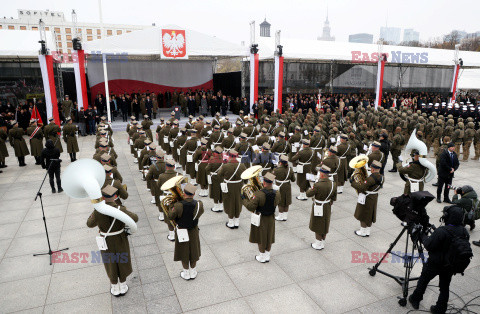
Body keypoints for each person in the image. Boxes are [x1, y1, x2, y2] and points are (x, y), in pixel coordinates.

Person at [408, 206, 469, 314]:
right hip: (450, 265)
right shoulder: (464, 231)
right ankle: (440, 309)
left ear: (447, 217)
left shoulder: (442, 231)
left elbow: (428, 245)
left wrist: (422, 234)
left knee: (423, 281)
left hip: (435, 263)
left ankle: (415, 299)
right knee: (444, 287)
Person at [86, 185, 139, 296]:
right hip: (120, 238)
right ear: (115, 196)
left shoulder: (98, 211)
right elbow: (135, 218)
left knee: (110, 262)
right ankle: (123, 285)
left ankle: (114, 287)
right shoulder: (121, 209)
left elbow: (89, 224)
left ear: (102, 198)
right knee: (122, 259)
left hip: (106, 240)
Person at [242, 172, 281, 263]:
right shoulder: (277, 193)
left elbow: (251, 207)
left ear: (264, 182)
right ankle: (267, 254)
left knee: (261, 236)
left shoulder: (259, 194)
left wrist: (244, 199)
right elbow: (277, 202)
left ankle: (262, 256)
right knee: (269, 235)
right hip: (271, 217)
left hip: (261, 218)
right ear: (272, 182)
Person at [169, 183, 204, 280]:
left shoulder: (178, 205)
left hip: (181, 231)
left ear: (184, 193)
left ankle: (186, 273)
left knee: (183, 251)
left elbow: (170, 216)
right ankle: (193, 271)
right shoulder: (199, 204)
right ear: (193, 194)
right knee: (194, 250)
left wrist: (172, 205)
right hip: (193, 230)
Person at [306, 165, 337, 250]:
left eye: (320, 172)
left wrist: (310, 186)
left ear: (322, 175)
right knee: (325, 223)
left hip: (319, 206)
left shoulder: (318, 185)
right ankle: (322, 241)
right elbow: (334, 198)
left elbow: (308, 194)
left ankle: (318, 244)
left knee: (318, 224)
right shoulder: (333, 184)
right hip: (327, 206)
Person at [351, 160, 384, 237]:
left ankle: (362, 231)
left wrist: (353, 182)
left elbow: (362, 188)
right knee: (370, 214)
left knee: (363, 214)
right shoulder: (382, 177)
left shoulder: (371, 178)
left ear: (372, 169)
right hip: (374, 197)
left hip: (367, 197)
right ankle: (367, 231)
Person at [217, 149, 247, 229]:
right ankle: (237, 221)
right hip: (239, 186)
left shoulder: (225, 166)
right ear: (237, 156)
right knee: (238, 202)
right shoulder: (242, 165)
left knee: (229, 202)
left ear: (229, 156)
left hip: (228, 186)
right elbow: (246, 177)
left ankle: (231, 222)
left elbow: (219, 175)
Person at [273, 155, 295, 221]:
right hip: (287, 186)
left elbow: (270, 177)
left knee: (280, 201)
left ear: (280, 162)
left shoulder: (276, 170)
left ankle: (280, 216)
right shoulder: (290, 169)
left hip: (280, 187)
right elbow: (293, 179)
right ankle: (285, 216)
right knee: (286, 201)